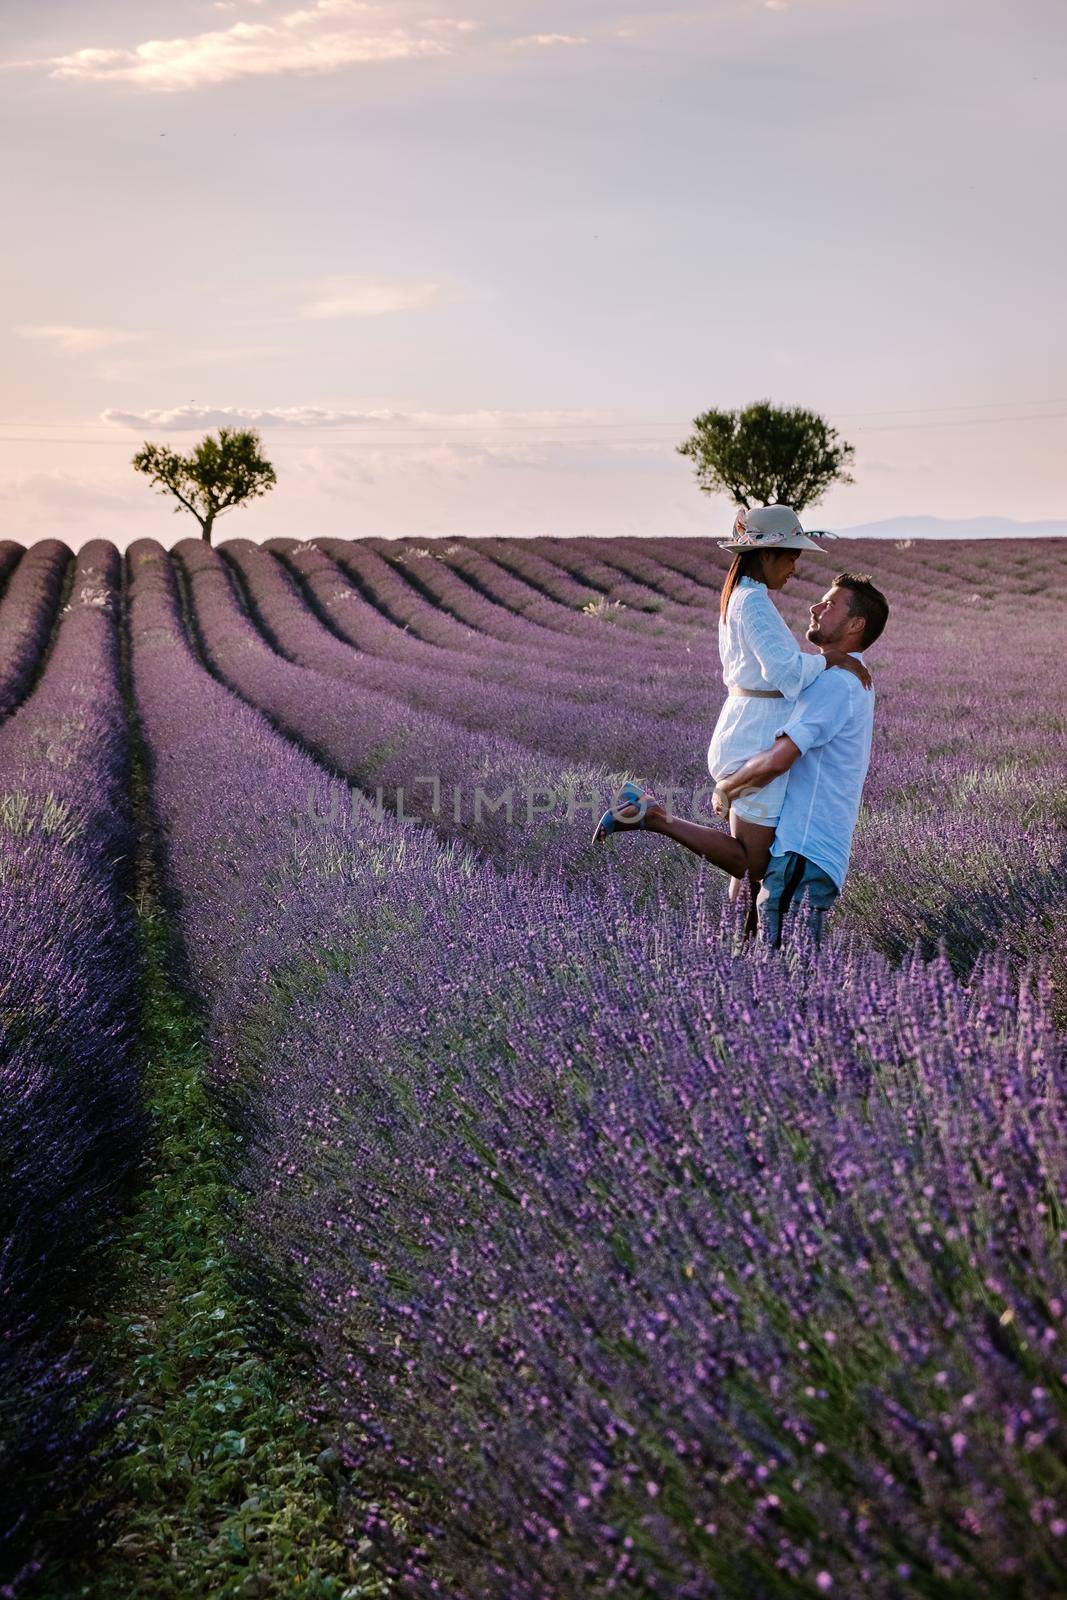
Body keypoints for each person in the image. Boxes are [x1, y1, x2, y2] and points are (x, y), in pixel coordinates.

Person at [594, 572, 889, 948]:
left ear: (856, 624)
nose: (816, 608)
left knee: (784, 977)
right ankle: (651, 816)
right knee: (753, 946)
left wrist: (726, 790)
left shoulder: (837, 685)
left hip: (803, 852)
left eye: (830, 605)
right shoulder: (837, 676)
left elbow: (779, 760)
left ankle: (651, 815)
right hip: (795, 851)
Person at [705, 506, 870, 912]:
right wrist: (832, 659)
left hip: (746, 729)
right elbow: (787, 674)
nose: (794, 567)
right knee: (751, 866)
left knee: (748, 872)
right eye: (791, 555)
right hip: (754, 736)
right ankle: (653, 817)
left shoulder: (743, 596)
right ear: (766, 555)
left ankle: (737, 954)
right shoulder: (752, 602)